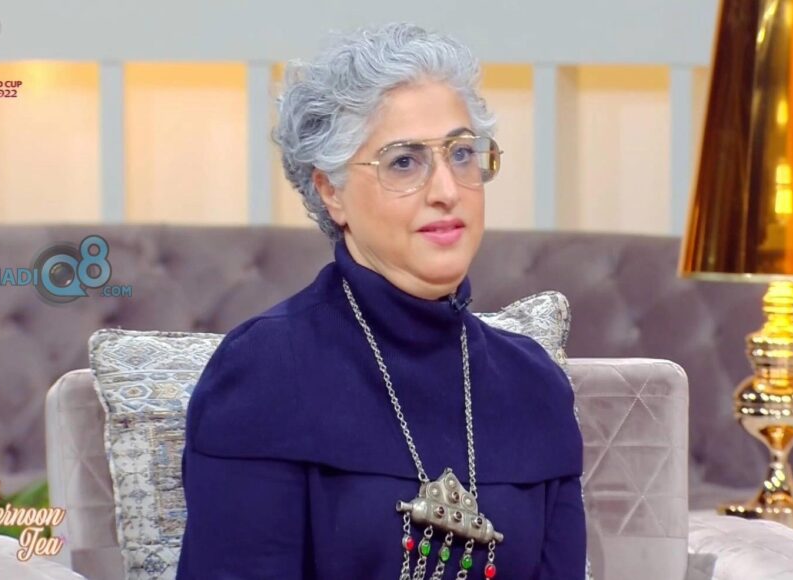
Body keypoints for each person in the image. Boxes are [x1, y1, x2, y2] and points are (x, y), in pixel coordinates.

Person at [177, 22, 586, 579]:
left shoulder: (534, 385)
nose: (447, 190)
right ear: (331, 190)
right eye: (404, 161)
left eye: (461, 153)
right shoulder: (264, 371)